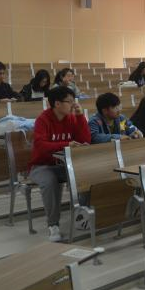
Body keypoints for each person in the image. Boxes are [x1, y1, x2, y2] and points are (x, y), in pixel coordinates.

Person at [28, 86, 91, 242]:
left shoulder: (71, 118)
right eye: (69, 102)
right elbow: (41, 146)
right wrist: (67, 144)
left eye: (74, 101)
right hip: (41, 166)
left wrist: (80, 117)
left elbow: (85, 141)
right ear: (57, 104)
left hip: (64, 165)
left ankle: (81, 216)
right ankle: (53, 224)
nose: (73, 105)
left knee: (86, 175)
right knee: (50, 181)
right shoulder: (43, 120)